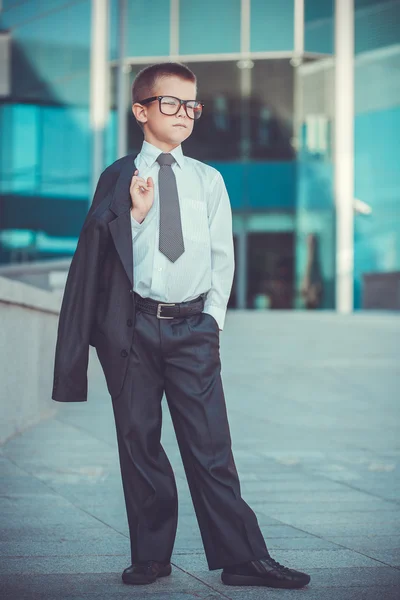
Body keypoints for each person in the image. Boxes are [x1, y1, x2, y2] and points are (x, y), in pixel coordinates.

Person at [51, 62, 311, 590]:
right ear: (141, 110)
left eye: (192, 105)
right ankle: (150, 557)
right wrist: (138, 213)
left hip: (193, 327)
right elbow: (102, 250)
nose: (185, 114)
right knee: (140, 444)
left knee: (211, 448)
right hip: (134, 330)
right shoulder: (119, 177)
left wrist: (211, 321)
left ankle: (242, 558)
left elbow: (223, 257)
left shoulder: (208, 180)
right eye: (170, 103)